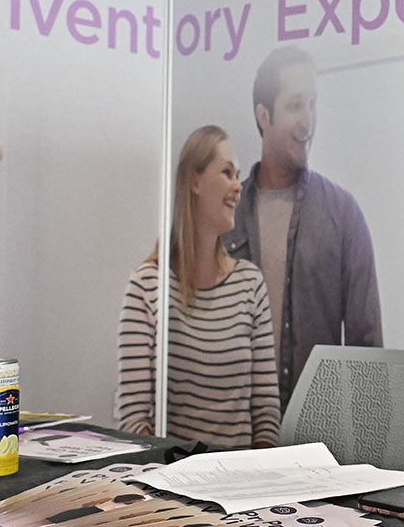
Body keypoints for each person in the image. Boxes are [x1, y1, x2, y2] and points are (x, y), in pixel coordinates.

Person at [224, 46, 382, 410]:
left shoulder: (342, 213)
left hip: (317, 430)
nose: (308, 122)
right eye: (295, 105)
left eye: (313, 104)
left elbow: (367, 347)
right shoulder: (226, 216)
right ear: (264, 116)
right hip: (234, 428)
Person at [115, 126, 281, 448]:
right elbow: (133, 419)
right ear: (195, 182)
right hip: (171, 473)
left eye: (238, 176)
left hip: (242, 475)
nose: (238, 186)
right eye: (227, 173)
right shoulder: (146, 286)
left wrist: (259, 470)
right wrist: (176, 469)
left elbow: (266, 412)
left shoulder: (250, 284)